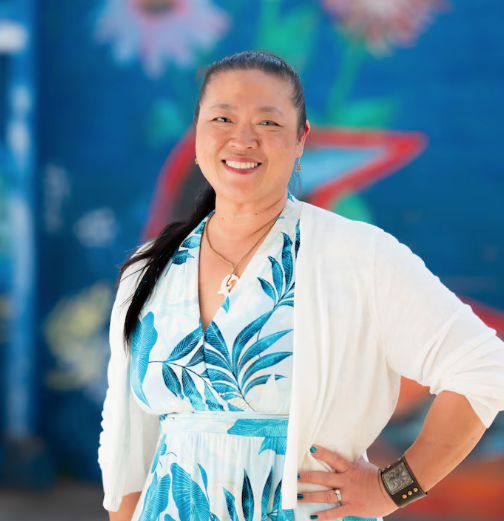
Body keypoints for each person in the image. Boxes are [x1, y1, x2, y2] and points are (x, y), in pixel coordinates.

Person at [98, 50, 504, 521]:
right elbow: (126, 443)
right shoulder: (149, 269)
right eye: (222, 118)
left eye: (268, 123)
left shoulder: (358, 255)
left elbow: (484, 367)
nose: (242, 139)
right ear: (197, 134)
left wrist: (392, 488)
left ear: (300, 140)